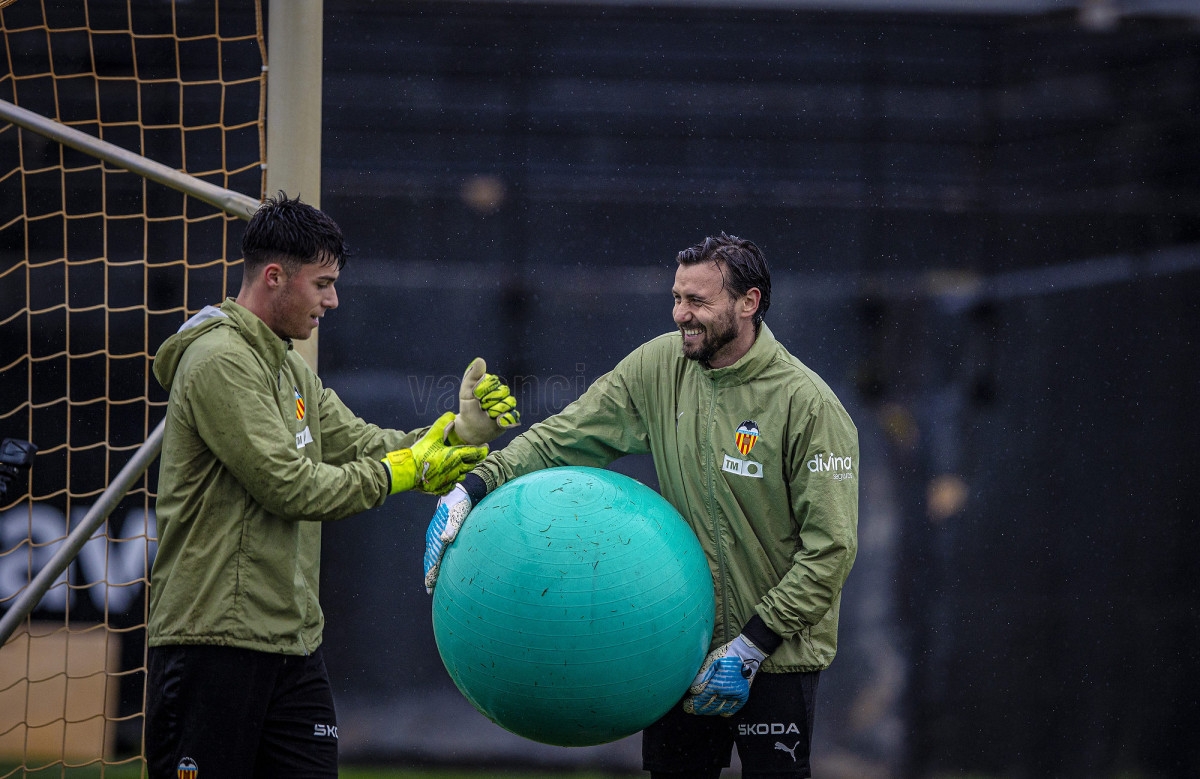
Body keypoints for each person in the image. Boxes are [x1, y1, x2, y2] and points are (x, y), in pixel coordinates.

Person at [424, 232, 859, 779]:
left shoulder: (810, 406)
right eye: (677, 298)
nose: (680, 314)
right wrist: (474, 487)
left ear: (748, 303)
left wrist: (752, 645)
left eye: (697, 301)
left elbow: (831, 550)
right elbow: (566, 436)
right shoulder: (659, 366)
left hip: (775, 658)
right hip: (676, 645)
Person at [144, 193, 519, 778]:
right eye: (322, 284)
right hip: (213, 644)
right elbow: (291, 487)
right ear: (274, 276)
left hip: (292, 644)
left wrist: (455, 434)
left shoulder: (288, 365)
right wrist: (408, 470)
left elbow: (362, 443)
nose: (333, 300)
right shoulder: (219, 360)